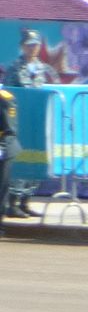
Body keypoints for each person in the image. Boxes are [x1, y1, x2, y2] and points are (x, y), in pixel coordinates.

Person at [4, 29, 56, 220]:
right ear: (22, 46)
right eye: (29, 45)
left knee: (35, 158)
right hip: (19, 120)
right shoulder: (15, 68)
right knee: (19, 160)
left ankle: (26, 201)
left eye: (36, 45)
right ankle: (12, 203)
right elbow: (9, 95)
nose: (33, 48)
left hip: (36, 119)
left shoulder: (41, 68)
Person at [0, 86, 17, 238]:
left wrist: (1, 149)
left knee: (1, 189)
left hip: (3, 148)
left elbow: (9, 129)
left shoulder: (4, 98)